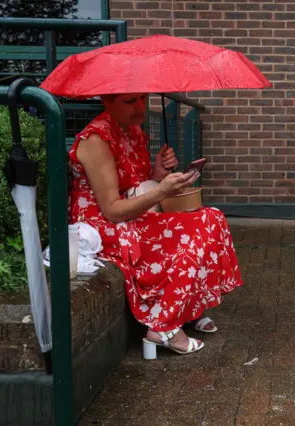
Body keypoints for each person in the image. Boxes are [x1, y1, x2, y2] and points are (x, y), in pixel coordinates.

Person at [68, 93, 243, 358]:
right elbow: (112, 210)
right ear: (107, 101)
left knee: (211, 217)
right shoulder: (96, 139)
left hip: (132, 214)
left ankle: (188, 307)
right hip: (103, 226)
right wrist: (161, 191)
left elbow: (136, 187)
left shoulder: (133, 131)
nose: (139, 107)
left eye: (141, 98)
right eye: (129, 102)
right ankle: (163, 326)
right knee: (196, 229)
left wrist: (158, 173)